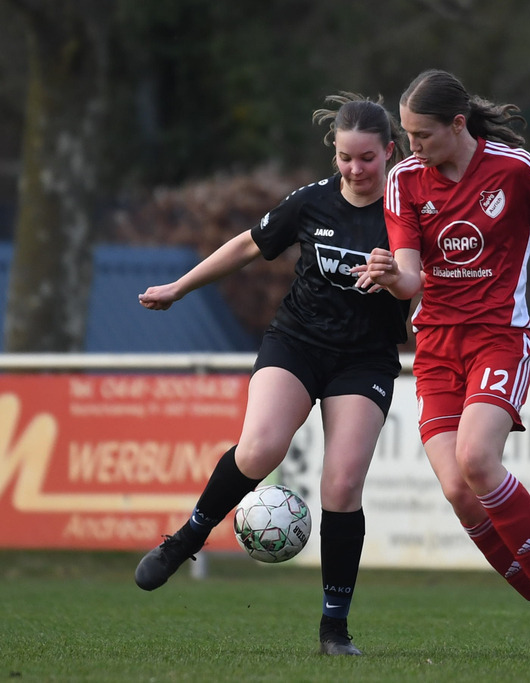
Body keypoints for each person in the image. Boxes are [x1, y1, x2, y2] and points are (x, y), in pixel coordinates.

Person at [354, 69, 530, 659]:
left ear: (458, 125)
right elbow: (409, 279)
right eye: (405, 134)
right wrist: (387, 275)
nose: (411, 147)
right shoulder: (405, 181)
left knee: (478, 459)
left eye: (421, 134)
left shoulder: (513, 169)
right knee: (457, 488)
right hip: (435, 347)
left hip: (499, 338)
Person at [134, 93, 410, 657]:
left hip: (365, 359)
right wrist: (179, 287)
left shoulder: (410, 210)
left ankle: (334, 629)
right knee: (259, 450)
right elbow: (246, 245)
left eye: (367, 159)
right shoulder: (311, 203)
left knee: (342, 485)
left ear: (390, 152)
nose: (355, 169)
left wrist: (396, 276)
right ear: (333, 153)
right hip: (297, 342)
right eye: (345, 158)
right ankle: (188, 536)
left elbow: (423, 280)